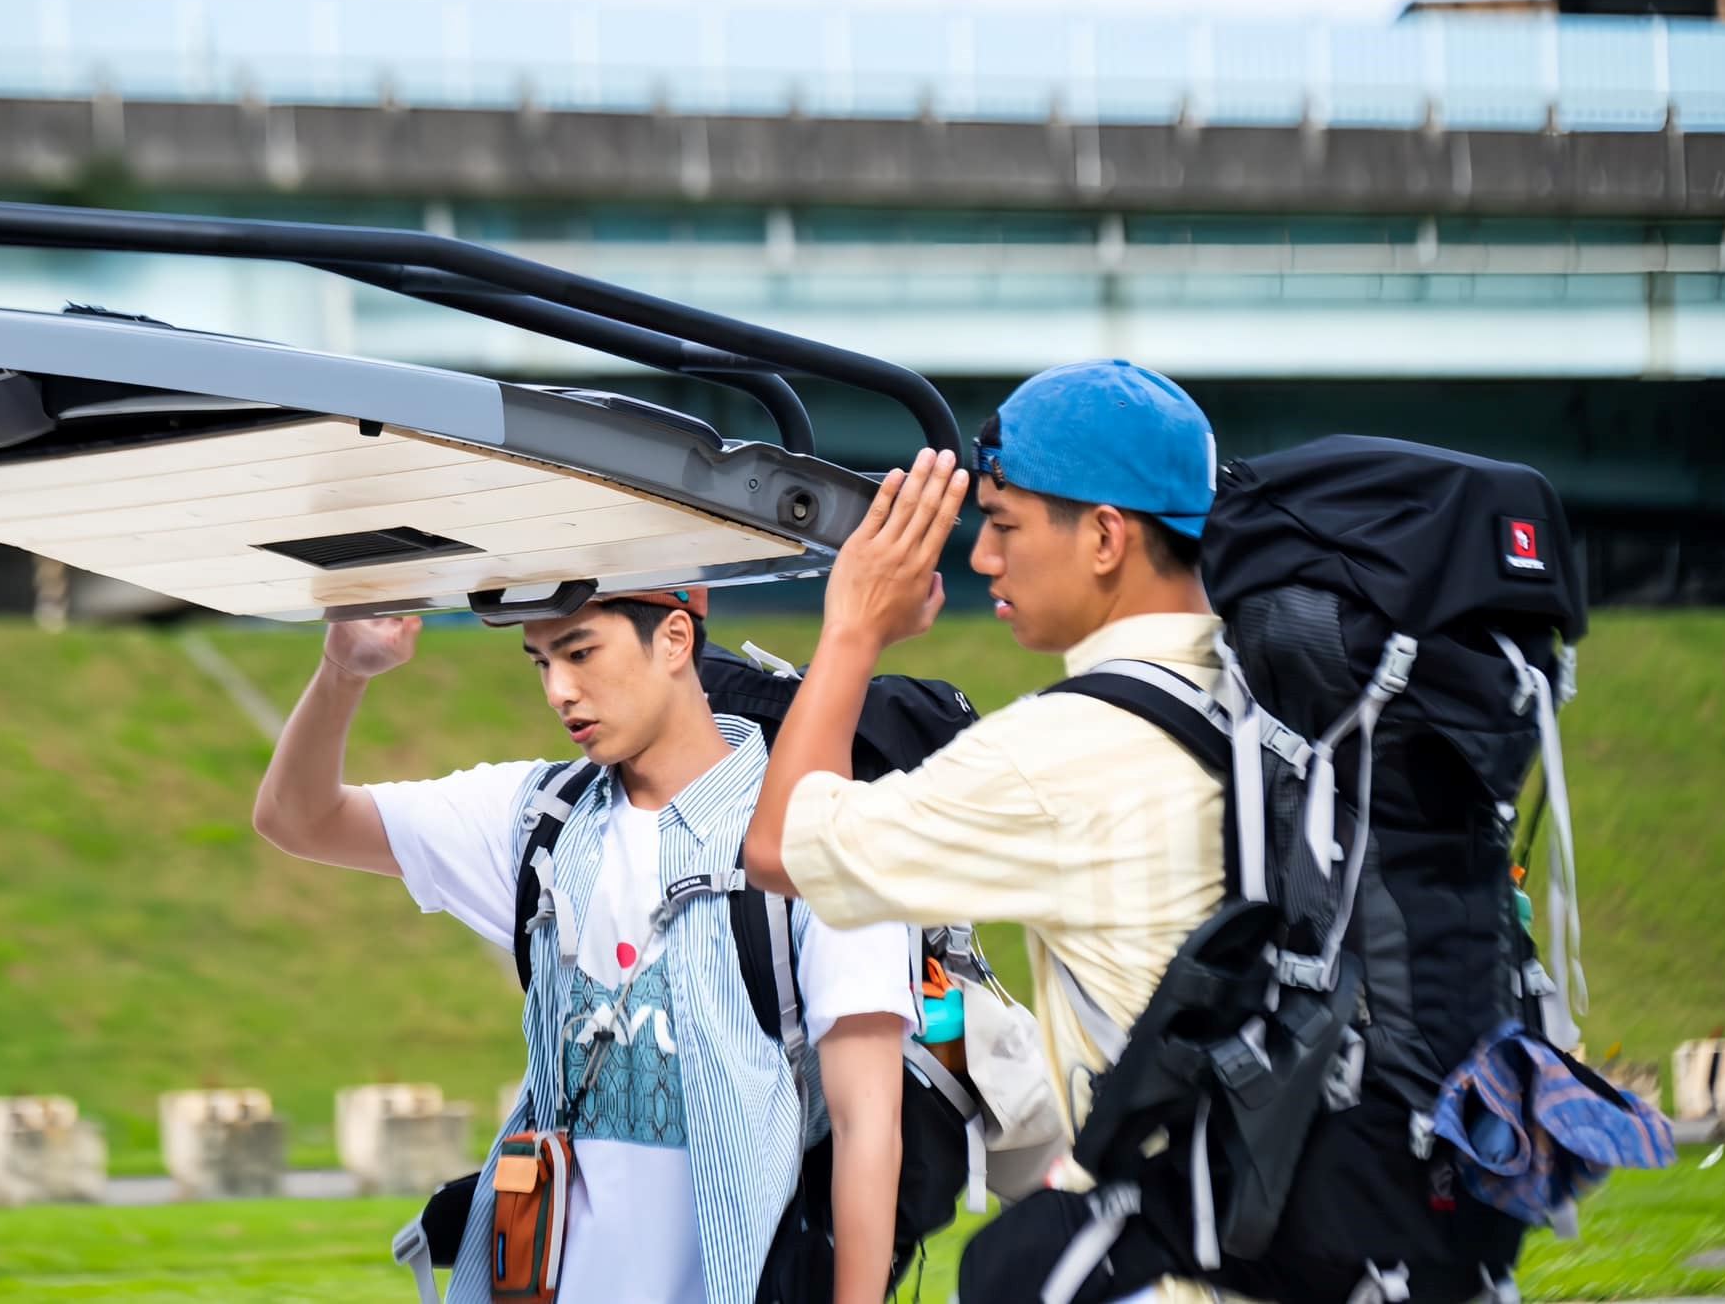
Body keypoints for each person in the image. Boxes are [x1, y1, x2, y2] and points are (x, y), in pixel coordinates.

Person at [252, 587, 915, 1304]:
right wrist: (343, 671)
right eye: (542, 662)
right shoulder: (540, 818)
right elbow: (298, 819)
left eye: (580, 653)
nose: (559, 691)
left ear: (674, 639)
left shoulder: (817, 835)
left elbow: (867, 1124)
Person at [741, 360, 1230, 1304]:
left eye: (1004, 524)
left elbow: (780, 846)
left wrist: (853, 629)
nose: (982, 558)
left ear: (1105, 537)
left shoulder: (1064, 751)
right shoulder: (1287, 705)